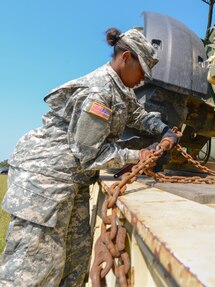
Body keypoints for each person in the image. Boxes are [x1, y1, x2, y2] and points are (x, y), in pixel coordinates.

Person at [0, 27, 178, 286]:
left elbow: (137, 115)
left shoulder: (121, 90)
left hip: (73, 180)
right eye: (142, 71)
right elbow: (89, 154)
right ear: (126, 57)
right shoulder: (99, 92)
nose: (142, 80)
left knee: (75, 264)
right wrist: (138, 154)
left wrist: (164, 130)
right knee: (35, 269)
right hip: (45, 182)